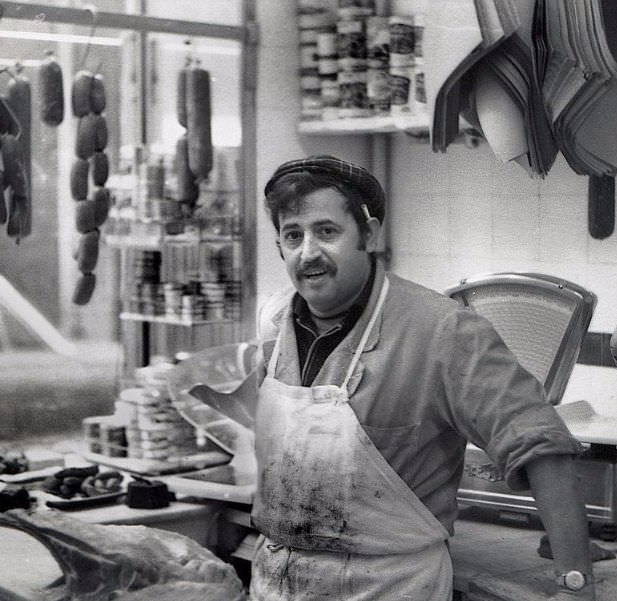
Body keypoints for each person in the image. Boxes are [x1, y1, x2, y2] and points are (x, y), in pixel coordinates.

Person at [250, 155, 596, 600]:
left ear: (370, 235)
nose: (308, 252)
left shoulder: (444, 331)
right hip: (277, 582)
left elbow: (542, 448)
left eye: (327, 231)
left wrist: (575, 584)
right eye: (293, 235)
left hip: (386, 587)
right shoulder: (275, 324)